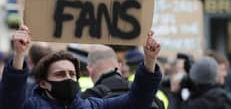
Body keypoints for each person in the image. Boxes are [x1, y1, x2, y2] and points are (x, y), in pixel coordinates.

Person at [1, 26, 162, 109]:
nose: (68, 78)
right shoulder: (32, 106)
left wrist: (149, 60)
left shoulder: (92, 105)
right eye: (60, 74)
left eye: (72, 74)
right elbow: (11, 101)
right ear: (43, 83)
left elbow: (137, 101)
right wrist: (20, 54)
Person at [81, 44, 164, 109]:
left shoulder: (86, 100)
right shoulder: (152, 98)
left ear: (89, 70)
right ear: (119, 66)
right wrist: (150, 60)